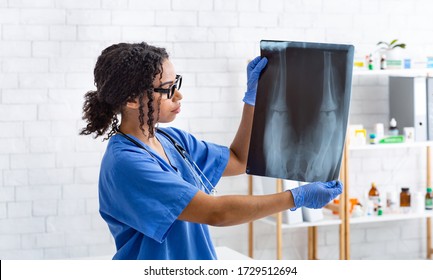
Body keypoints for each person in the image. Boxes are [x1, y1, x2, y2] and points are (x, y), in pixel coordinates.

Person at [80, 42, 342, 260]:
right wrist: (295, 197)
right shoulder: (126, 164)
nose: (178, 96)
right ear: (132, 99)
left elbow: (238, 160)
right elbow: (217, 212)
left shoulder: (172, 141)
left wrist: (252, 99)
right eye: (167, 89)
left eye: (177, 83)